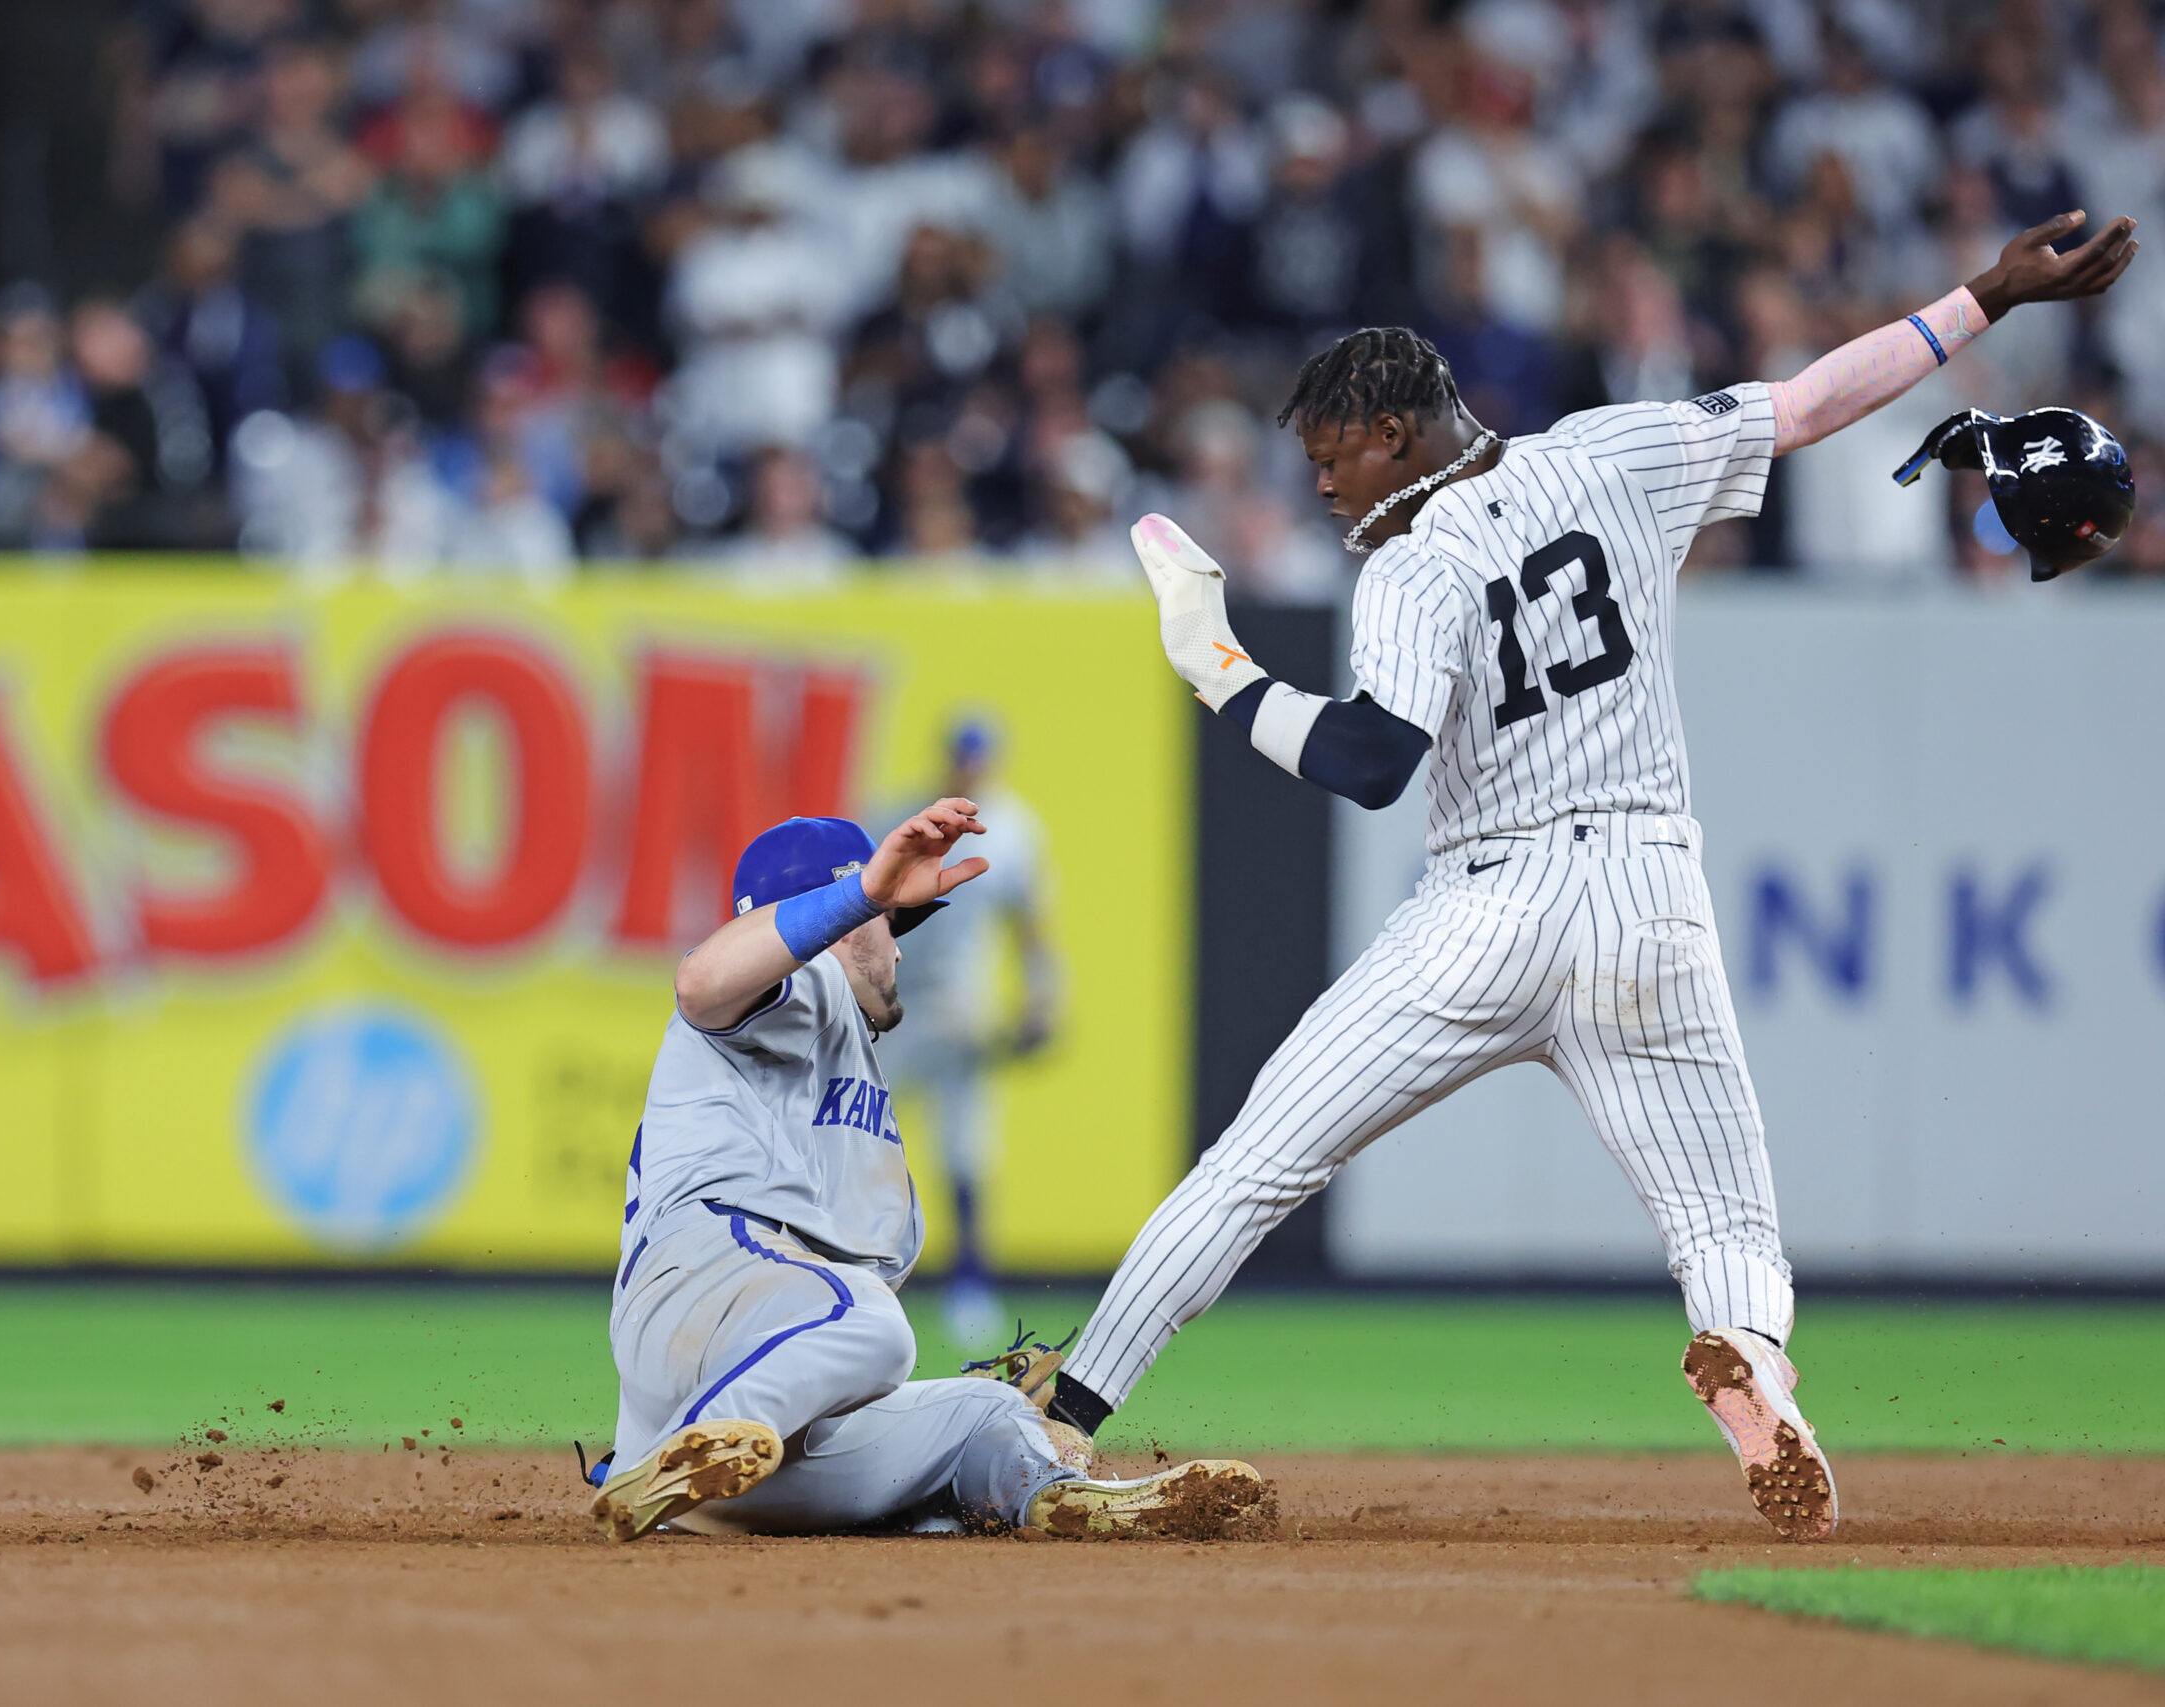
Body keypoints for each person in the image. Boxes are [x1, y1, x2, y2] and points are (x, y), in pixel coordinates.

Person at [1032, 210, 2140, 1544]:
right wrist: (1985, 298)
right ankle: (1752, 1367)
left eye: (1333, 454)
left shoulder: (1412, 562)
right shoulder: (1620, 449)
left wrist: (1218, 668)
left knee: (1253, 1166)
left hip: (1481, 910)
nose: (1325, 484)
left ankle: (1063, 1411)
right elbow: (1806, 403)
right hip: (1643, 895)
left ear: (1397, 431)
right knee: (1724, 1214)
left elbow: (1372, 760)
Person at [590, 806, 1262, 1542]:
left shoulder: (855, 1081)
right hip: (704, 1291)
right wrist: (862, 895)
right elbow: (700, 980)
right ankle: (683, 1449)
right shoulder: (806, 984)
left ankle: (1063, 1498)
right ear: (843, 919)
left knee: (986, 1412)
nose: (903, 952)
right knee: (874, 1324)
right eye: (891, 925)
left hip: (760, 1397)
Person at [877, 723, 1061, 1346]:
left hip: (964, 1010)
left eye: (978, 760)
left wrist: (1044, 996)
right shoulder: (900, 813)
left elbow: (1033, 923)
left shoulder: (1014, 830)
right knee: (864, 1136)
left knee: (964, 1150)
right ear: (948, 761)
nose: (969, 769)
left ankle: (970, 1284)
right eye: (962, 759)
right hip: (892, 1004)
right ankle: (862, 1278)